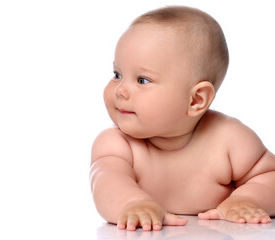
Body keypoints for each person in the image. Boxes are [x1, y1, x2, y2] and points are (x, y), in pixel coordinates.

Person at [90, 6, 275, 231]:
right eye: (117, 74)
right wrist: (132, 204)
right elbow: (107, 182)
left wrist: (248, 199)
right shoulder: (117, 144)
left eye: (142, 80)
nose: (120, 90)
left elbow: (270, 176)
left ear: (196, 100)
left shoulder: (229, 139)